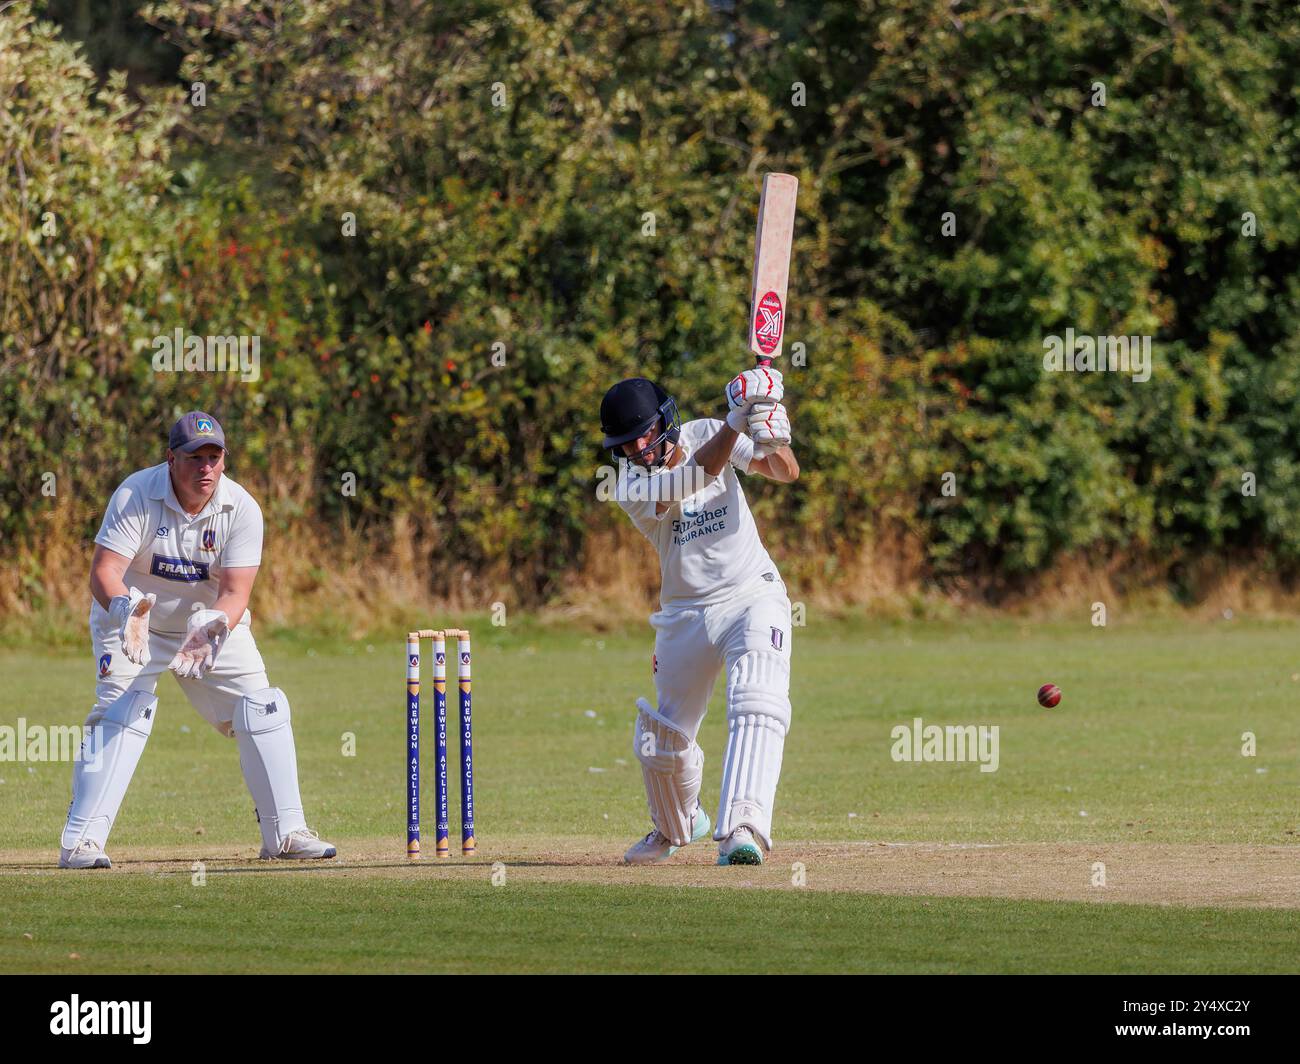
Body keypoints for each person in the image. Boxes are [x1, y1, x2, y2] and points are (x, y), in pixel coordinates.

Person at [58, 411, 336, 868]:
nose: (205, 467)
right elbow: (104, 572)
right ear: (171, 459)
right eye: (194, 457)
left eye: (214, 456)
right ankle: (80, 843)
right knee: (121, 713)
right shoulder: (136, 494)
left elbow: (236, 593)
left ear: (224, 460)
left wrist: (212, 627)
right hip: (133, 619)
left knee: (262, 708)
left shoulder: (241, 508)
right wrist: (127, 610)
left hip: (206, 626)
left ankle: (285, 834)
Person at [601, 371, 798, 865]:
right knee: (660, 741)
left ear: (666, 420)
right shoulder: (630, 485)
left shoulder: (707, 432)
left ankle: (742, 830)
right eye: (627, 445)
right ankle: (677, 825)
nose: (640, 450)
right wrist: (735, 421)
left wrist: (771, 428)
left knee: (758, 699)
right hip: (685, 612)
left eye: (645, 435)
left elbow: (785, 472)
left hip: (751, 592)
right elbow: (692, 479)